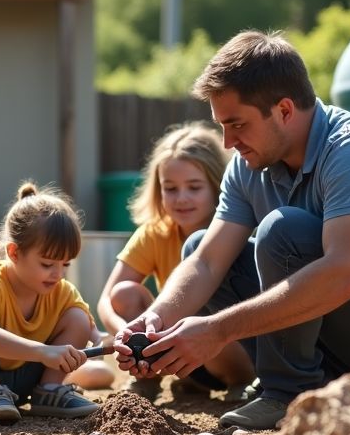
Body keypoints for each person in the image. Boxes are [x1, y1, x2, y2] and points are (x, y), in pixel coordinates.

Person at [114, 30, 350, 430]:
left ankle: (285, 393)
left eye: (237, 124)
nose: (228, 142)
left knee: (284, 232)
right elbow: (208, 262)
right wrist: (154, 319)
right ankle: (310, 382)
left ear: (283, 110)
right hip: (344, 333)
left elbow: (347, 274)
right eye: (221, 126)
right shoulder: (248, 167)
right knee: (198, 244)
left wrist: (217, 330)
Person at [94, 121, 253, 400]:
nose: (182, 199)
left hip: (232, 352)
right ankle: (148, 378)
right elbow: (107, 300)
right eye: (170, 188)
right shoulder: (156, 233)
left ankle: (240, 383)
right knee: (125, 294)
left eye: (194, 187)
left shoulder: (236, 230)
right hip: (171, 351)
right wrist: (128, 337)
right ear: (158, 190)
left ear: (217, 185)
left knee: (202, 315)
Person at [0, 182, 101, 424]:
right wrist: (44, 352)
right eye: (47, 264)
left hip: (27, 376)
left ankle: (49, 391)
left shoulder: (61, 290)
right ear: (14, 253)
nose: (58, 274)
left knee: (78, 318)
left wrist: (104, 343)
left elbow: (94, 334)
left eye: (65, 264)